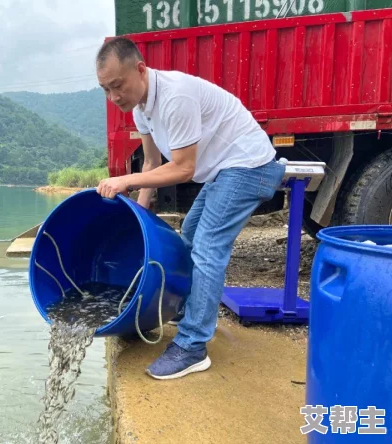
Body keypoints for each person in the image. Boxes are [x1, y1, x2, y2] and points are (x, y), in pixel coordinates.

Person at [94, 37, 286, 380]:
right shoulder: (141, 108)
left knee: (208, 248)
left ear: (140, 70)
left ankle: (193, 346)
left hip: (250, 166)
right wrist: (140, 218)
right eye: (106, 90)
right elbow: (152, 162)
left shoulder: (174, 96)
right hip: (223, 170)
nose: (114, 97)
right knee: (190, 236)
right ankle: (186, 309)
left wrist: (126, 181)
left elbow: (183, 169)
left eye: (118, 86)